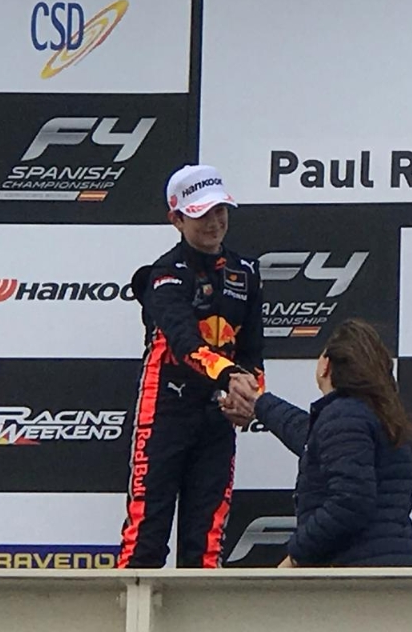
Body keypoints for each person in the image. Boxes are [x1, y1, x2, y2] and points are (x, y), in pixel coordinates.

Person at [117, 164, 266, 568]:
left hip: (217, 414)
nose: (214, 222)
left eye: (220, 210)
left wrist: (251, 398)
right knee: (146, 536)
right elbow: (185, 344)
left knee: (206, 544)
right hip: (165, 409)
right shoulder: (163, 276)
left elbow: (252, 352)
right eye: (201, 214)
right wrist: (231, 377)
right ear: (177, 219)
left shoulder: (246, 273)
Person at [223, 320, 412, 567]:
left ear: (326, 365)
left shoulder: (343, 415)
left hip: (361, 575)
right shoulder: (376, 415)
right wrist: (259, 403)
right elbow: (306, 435)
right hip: (395, 567)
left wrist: (296, 556)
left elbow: (350, 502)